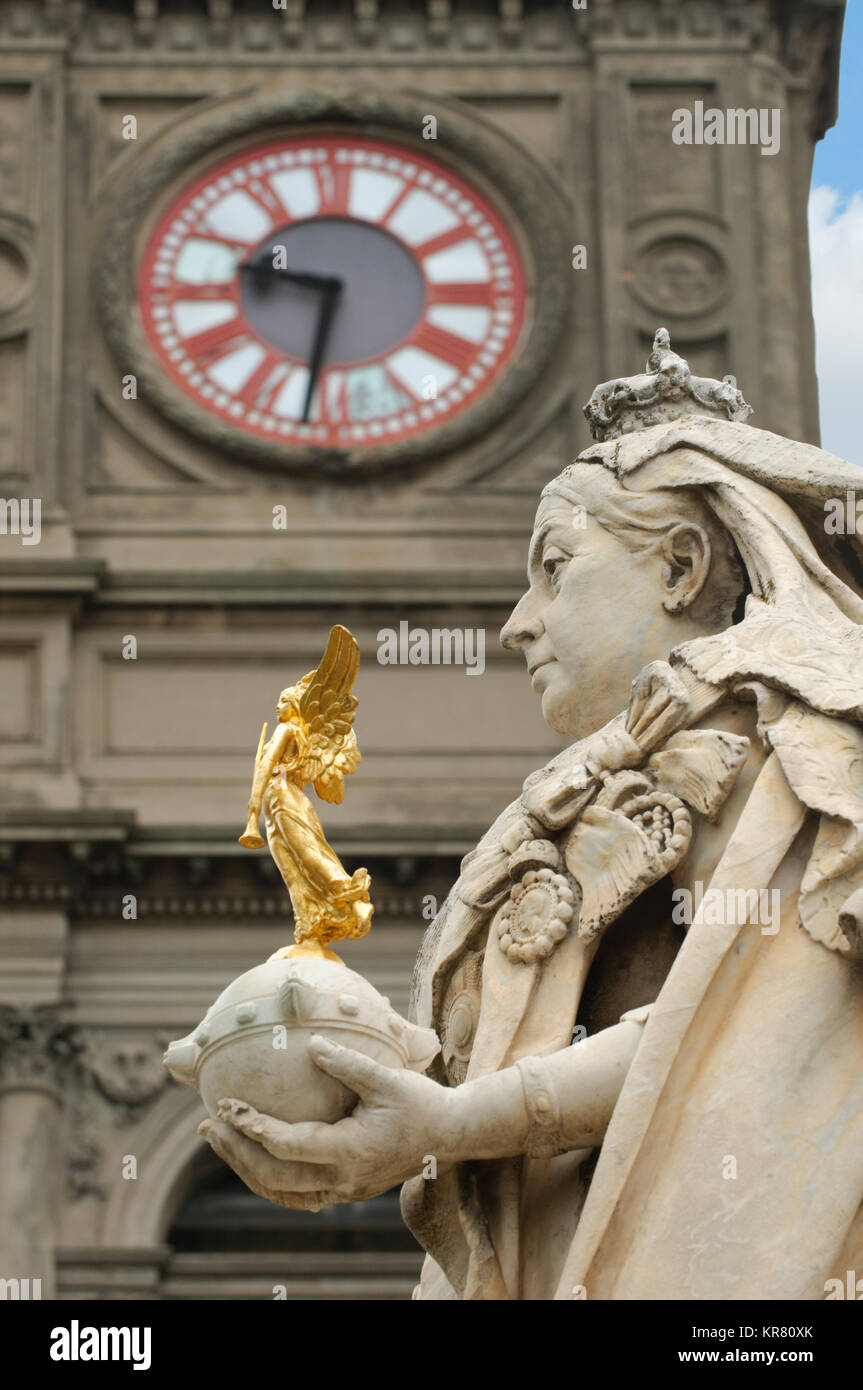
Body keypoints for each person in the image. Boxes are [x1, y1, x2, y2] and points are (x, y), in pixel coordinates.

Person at [204, 332, 863, 1300]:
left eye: (552, 567)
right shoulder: (670, 751)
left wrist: (447, 1122)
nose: (517, 619)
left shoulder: (783, 747)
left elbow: (739, 1035)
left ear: (680, 565)